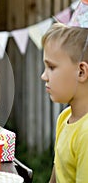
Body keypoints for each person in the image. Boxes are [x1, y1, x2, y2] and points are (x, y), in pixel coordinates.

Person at [41, 22, 88, 183]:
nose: (44, 76)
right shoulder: (65, 117)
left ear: (81, 72)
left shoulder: (86, 134)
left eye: (51, 67)